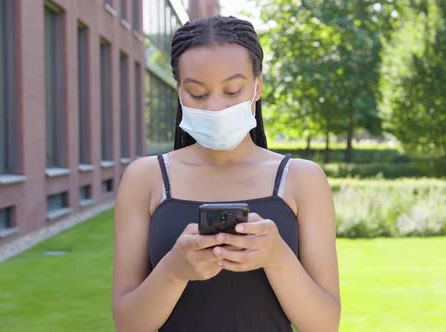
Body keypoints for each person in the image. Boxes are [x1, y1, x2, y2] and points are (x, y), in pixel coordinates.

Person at [112, 15, 340, 332]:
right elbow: (128, 325)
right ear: (179, 92)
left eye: (232, 91)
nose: (215, 107)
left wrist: (277, 257)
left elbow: (325, 325)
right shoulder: (145, 178)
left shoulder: (303, 179)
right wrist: (174, 271)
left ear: (257, 87)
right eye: (198, 93)